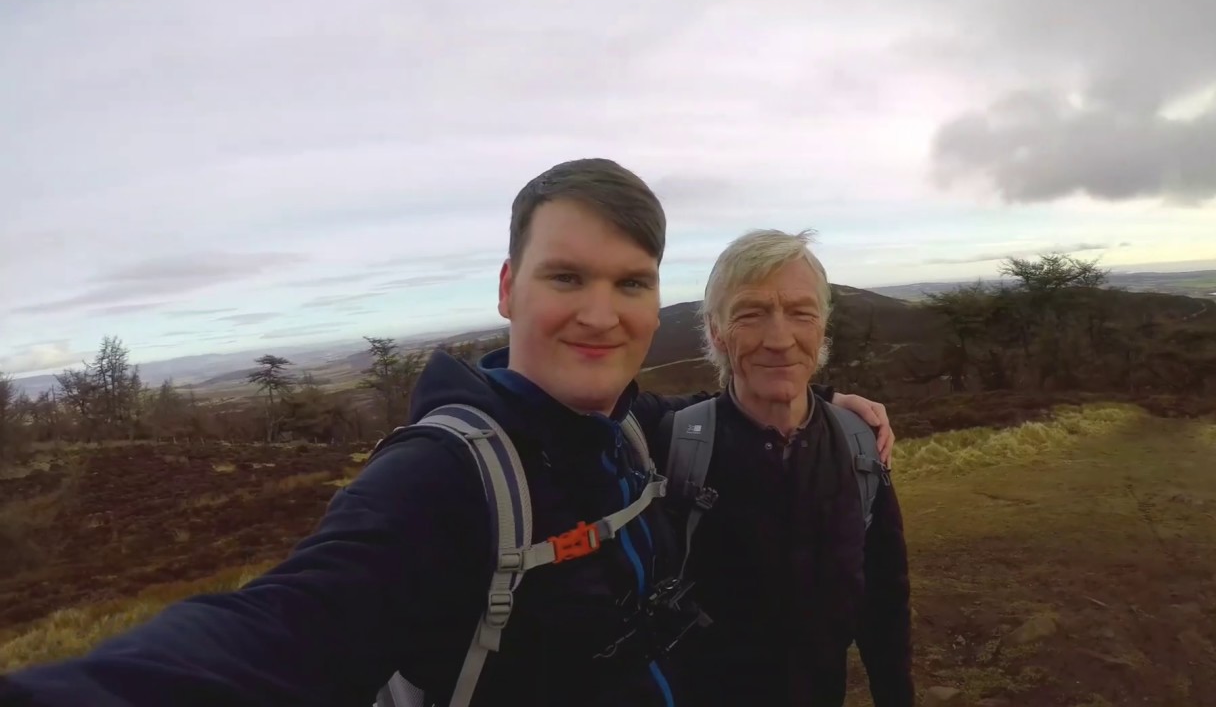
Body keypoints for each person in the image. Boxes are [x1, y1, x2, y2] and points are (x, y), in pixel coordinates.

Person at [0, 159, 892, 707]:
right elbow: (277, 630)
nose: (599, 313)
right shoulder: (445, 478)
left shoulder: (628, 434)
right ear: (508, 289)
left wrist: (830, 407)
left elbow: (733, 412)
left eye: (629, 284)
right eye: (566, 277)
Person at [652, 229, 913, 707]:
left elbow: (885, 600)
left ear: (822, 328)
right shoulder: (672, 441)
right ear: (716, 331)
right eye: (750, 314)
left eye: (801, 313)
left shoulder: (858, 445)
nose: (779, 339)